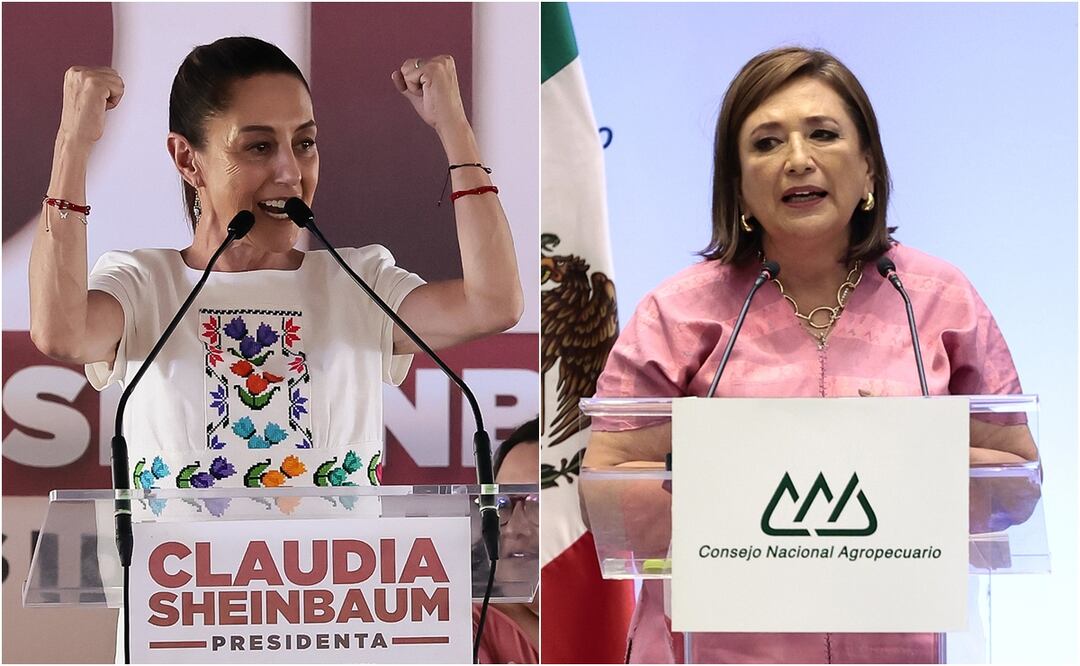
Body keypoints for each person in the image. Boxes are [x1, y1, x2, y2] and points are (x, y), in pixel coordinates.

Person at [583, 46, 1037, 663]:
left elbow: (1016, 484)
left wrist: (919, 448)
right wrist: (720, 466)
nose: (798, 160)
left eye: (823, 134)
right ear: (738, 186)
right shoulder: (678, 313)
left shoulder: (938, 300)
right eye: (766, 144)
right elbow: (604, 491)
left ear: (869, 170)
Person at [28, 36, 523, 487]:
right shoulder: (142, 285)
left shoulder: (358, 282)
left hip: (337, 587)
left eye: (304, 144)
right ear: (186, 159)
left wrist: (455, 129)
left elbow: (494, 302)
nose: (290, 172)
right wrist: (72, 144)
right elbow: (62, 332)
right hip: (176, 585)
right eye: (259, 147)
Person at [474, 418, 540, 664]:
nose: (513, 528)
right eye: (502, 503)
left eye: (537, 504)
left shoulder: (621, 614)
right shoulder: (467, 620)